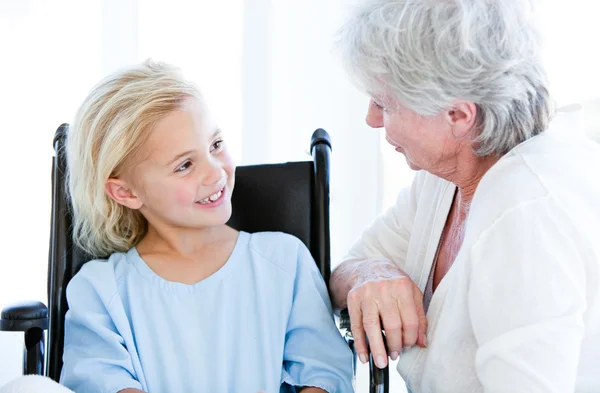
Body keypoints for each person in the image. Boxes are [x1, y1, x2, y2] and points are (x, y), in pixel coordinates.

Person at [1, 60, 353, 393]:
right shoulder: (100, 289)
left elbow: (327, 374)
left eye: (215, 144)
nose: (215, 172)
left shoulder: (284, 261)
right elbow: (102, 381)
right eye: (184, 165)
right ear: (125, 191)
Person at [329, 0, 600, 392]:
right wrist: (372, 274)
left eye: (385, 104)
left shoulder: (526, 218)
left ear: (458, 115)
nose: (371, 119)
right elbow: (345, 270)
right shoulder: (447, 175)